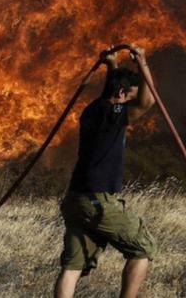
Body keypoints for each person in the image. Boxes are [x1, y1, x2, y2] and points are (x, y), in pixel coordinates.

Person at [54, 46, 157, 298]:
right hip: (98, 200)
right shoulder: (114, 113)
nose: (131, 103)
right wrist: (142, 62)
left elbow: (111, 92)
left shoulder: (93, 109)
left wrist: (112, 65)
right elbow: (148, 101)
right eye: (129, 96)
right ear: (122, 94)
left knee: (72, 266)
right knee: (143, 247)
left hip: (75, 199)